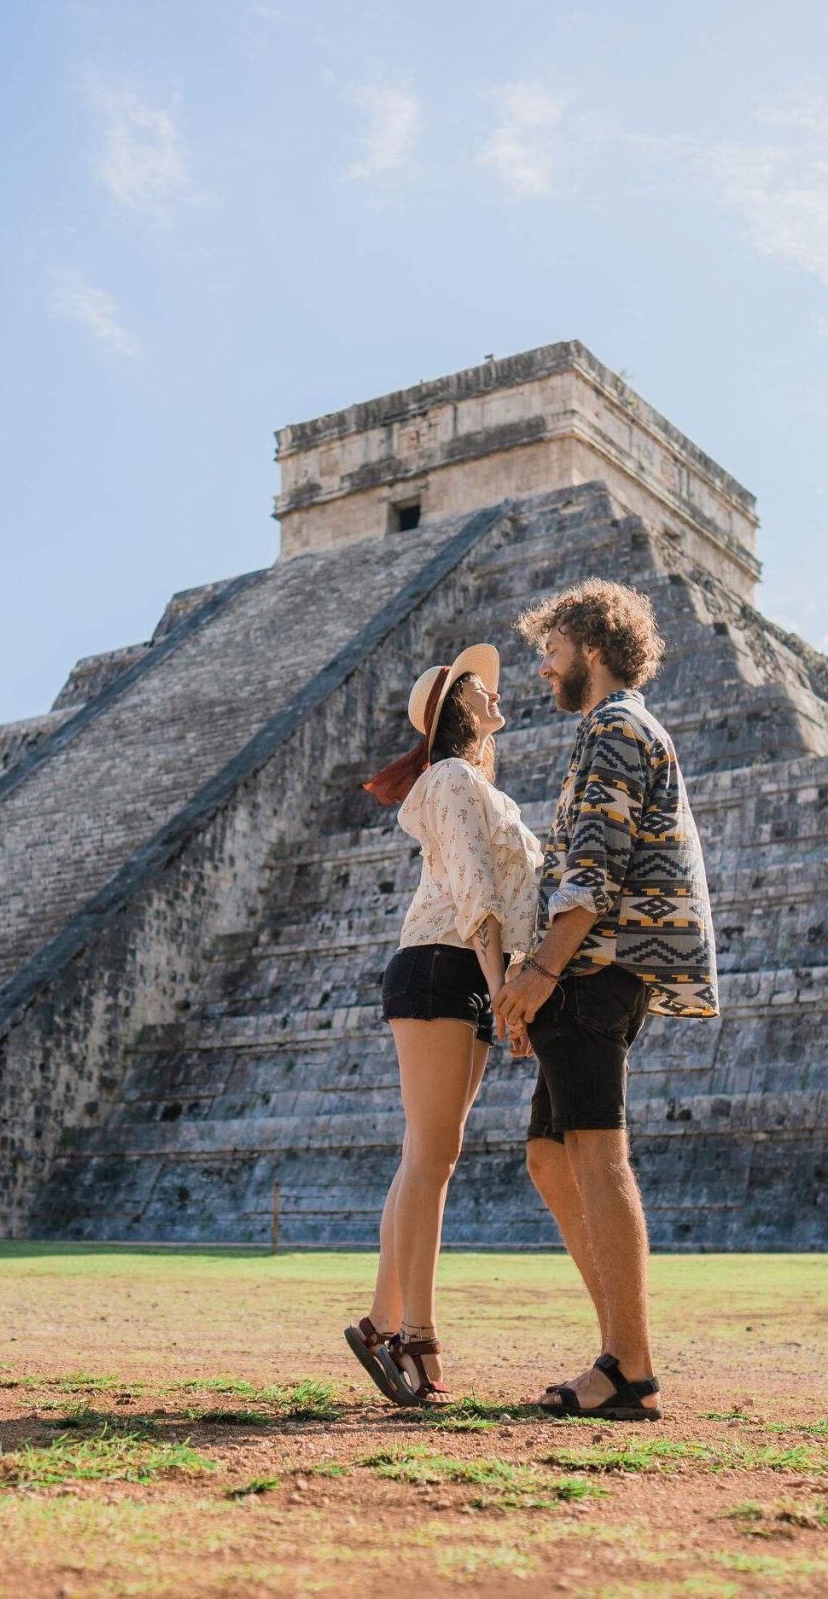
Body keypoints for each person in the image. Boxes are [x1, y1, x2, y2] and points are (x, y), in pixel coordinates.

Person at [491, 580, 718, 1422]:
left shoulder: (615, 728)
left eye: (550, 650)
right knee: (550, 1161)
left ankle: (630, 1365)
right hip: (586, 977)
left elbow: (591, 874)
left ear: (589, 643)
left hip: (590, 974)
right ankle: (620, 1347)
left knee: (596, 1155)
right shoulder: (616, 730)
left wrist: (539, 972)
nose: (542, 669)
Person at [345, 642, 540, 1406]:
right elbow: (473, 883)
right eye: (480, 690)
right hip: (440, 961)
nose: (495, 695)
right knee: (430, 1157)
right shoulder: (452, 778)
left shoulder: (476, 784)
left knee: (431, 1155)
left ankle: (381, 1321)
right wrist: (503, 988)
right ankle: (414, 1336)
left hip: (463, 965)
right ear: (459, 707)